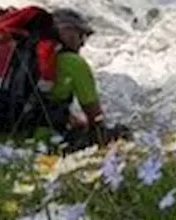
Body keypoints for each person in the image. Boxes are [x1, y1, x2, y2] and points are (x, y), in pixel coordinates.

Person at [33, 8, 128, 150]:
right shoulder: (74, 63)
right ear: (67, 32)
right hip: (45, 143)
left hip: (0, 139)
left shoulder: (29, 55)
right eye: (80, 35)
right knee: (122, 133)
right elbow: (95, 117)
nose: (82, 43)